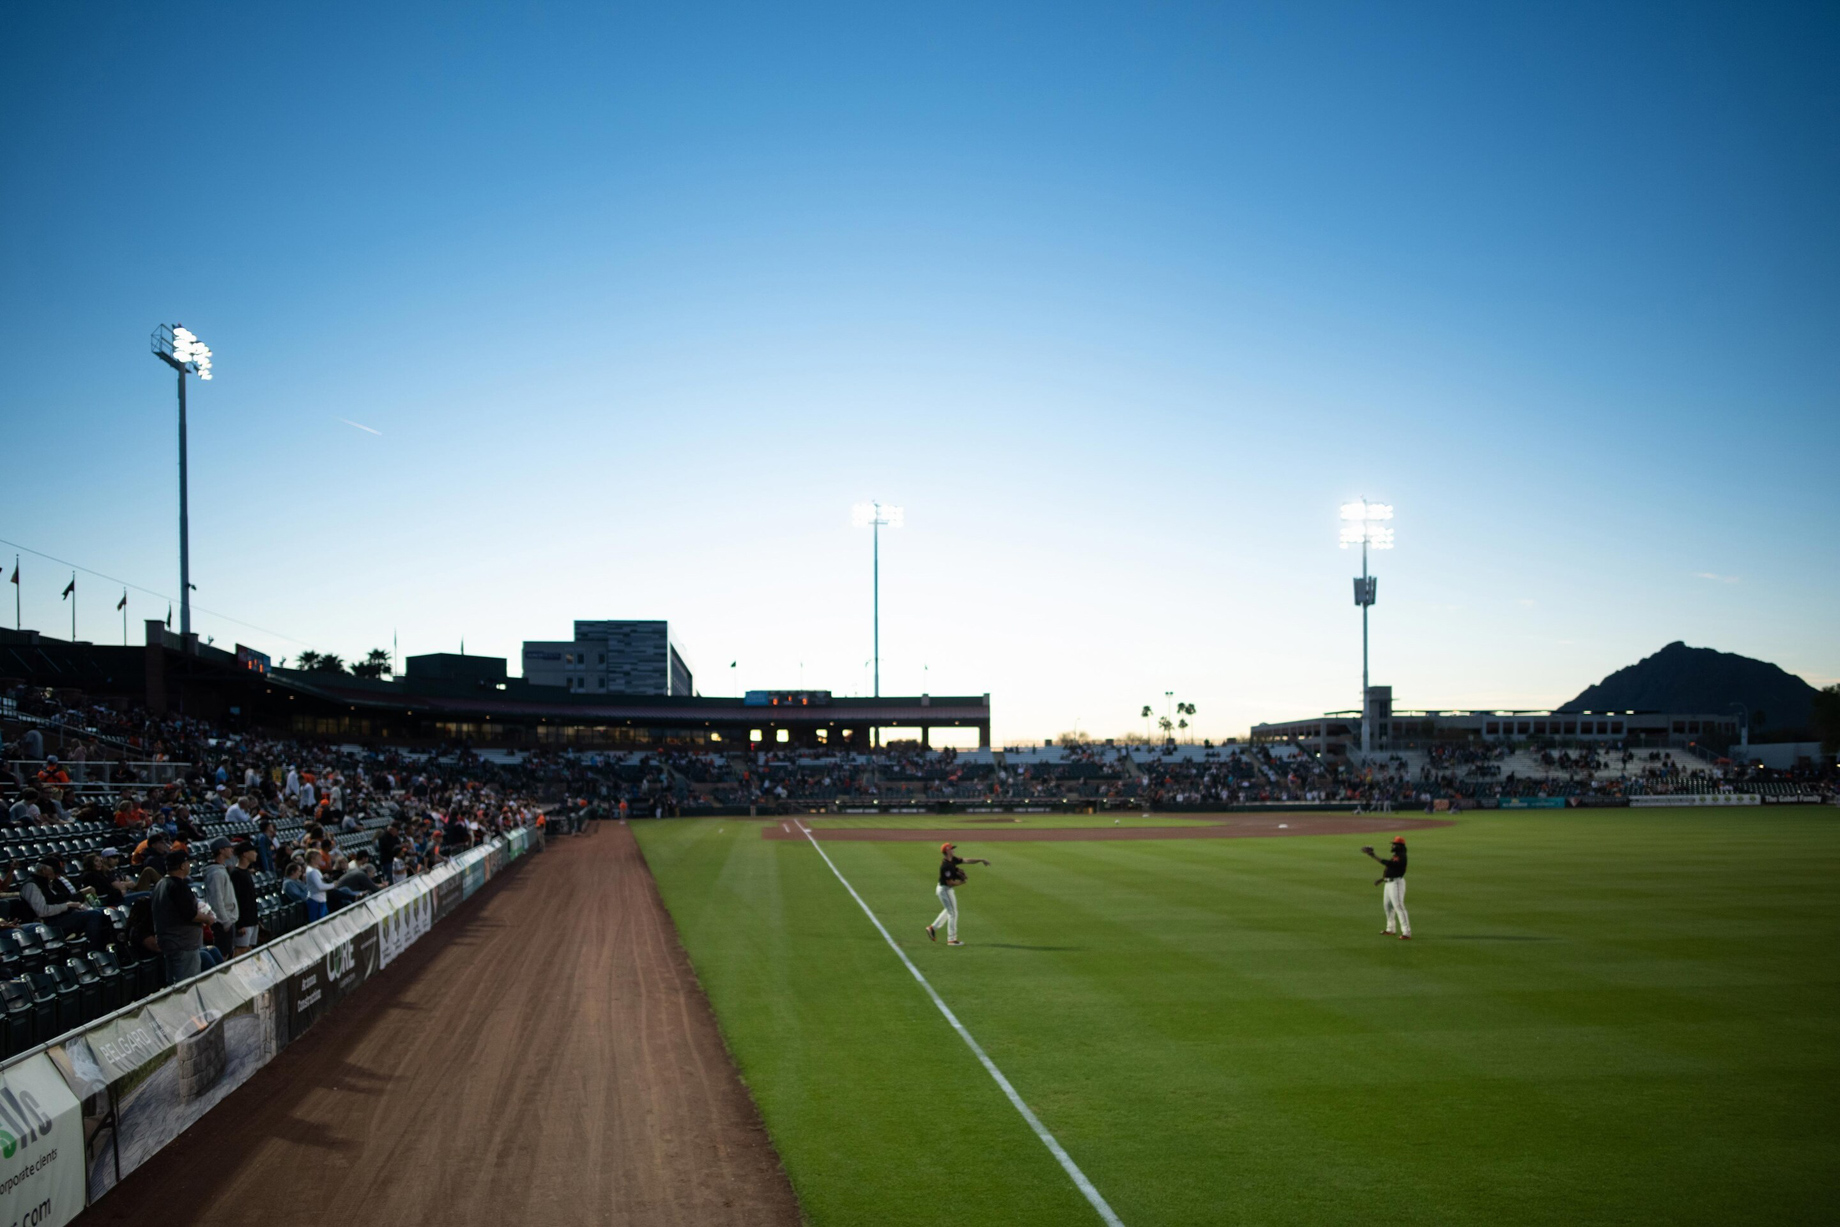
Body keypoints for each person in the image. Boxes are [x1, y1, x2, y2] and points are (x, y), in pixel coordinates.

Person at [20, 858, 111, 947]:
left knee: (105, 911)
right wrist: (67, 905)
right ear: (44, 870)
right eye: (55, 871)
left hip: (64, 915)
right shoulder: (31, 885)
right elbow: (42, 911)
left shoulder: (51, 882)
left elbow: (63, 897)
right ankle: (93, 948)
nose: (57, 874)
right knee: (93, 915)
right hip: (50, 921)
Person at [152, 846, 207, 983]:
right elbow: (191, 914)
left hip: (171, 942)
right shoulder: (177, 885)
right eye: (188, 863)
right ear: (182, 866)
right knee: (187, 987)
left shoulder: (161, 883)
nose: (189, 866)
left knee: (175, 985)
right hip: (183, 943)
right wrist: (209, 918)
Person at [926, 841, 990, 947]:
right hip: (944, 890)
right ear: (947, 851)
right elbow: (950, 882)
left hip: (946, 889)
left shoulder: (952, 860)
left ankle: (932, 928)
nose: (953, 850)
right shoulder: (946, 866)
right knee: (953, 913)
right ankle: (951, 939)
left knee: (950, 910)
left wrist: (980, 860)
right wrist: (961, 882)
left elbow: (966, 860)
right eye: (951, 848)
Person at [1362, 836, 1412, 939]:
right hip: (1389, 883)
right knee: (1388, 907)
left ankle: (1406, 932)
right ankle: (1390, 929)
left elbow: (1390, 865)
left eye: (1394, 844)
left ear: (1400, 846)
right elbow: (1390, 869)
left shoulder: (1402, 856)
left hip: (1396, 884)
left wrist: (1373, 856)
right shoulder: (1396, 855)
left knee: (1399, 907)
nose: (1392, 845)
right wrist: (1381, 879)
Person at [201, 837, 239, 962]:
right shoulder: (216, 873)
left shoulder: (221, 870)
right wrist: (225, 921)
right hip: (222, 923)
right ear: (221, 850)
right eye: (229, 847)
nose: (231, 850)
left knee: (227, 954)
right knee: (223, 957)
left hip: (227, 920)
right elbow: (216, 901)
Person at [229, 842, 261, 954]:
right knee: (240, 952)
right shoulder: (236, 874)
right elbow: (235, 899)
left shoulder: (246, 872)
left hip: (251, 920)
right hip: (244, 922)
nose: (256, 854)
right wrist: (239, 923)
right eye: (253, 851)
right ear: (245, 854)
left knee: (249, 951)